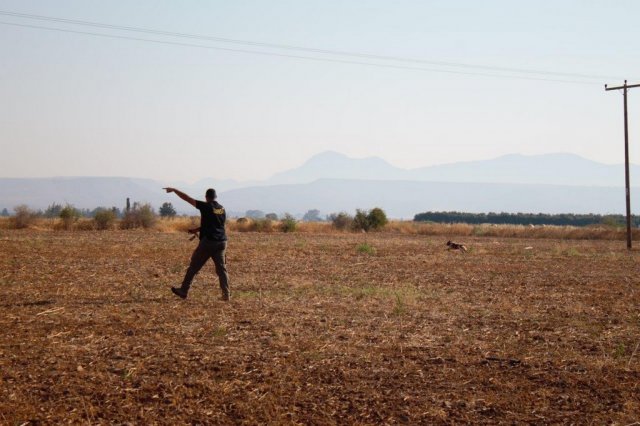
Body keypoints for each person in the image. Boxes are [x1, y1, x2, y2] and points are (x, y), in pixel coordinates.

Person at [163, 187, 230, 301]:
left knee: (193, 267)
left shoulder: (206, 206)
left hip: (209, 242)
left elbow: (188, 199)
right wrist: (197, 230)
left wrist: (174, 190)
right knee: (222, 270)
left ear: (206, 197)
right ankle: (226, 294)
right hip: (222, 242)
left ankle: (183, 291)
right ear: (215, 197)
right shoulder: (221, 209)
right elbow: (216, 225)